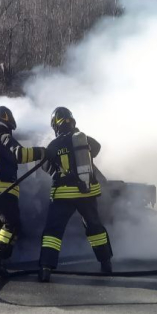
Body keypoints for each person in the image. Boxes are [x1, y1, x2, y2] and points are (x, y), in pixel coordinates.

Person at [37, 107, 112, 283]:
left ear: (55, 125)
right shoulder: (84, 140)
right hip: (87, 193)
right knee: (95, 228)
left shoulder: (54, 145)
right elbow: (97, 148)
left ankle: (46, 268)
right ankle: (106, 263)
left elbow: (45, 165)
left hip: (63, 195)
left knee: (53, 231)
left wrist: (58, 169)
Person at [0, 106, 46, 277]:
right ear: (7, 119)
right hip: (3, 189)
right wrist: (41, 152)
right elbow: (20, 154)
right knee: (11, 225)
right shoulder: (4, 137)